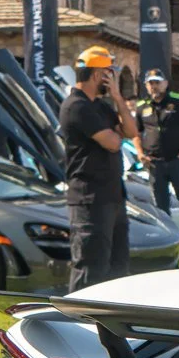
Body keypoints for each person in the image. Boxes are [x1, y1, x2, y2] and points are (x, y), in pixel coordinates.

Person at [58, 45, 138, 291]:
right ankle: (77, 321)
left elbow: (131, 131)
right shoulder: (76, 106)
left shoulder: (101, 105)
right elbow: (114, 143)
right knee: (90, 269)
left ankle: (108, 323)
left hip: (112, 196)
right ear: (97, 74)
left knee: (117, 267)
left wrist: (118, 98)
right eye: (109, 72)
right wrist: (117, 133)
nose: (112, 77)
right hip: (89, 199)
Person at [134, 70, 179, 236]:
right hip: (155, 162)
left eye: (157, 82)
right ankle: (169, 237)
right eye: (150, 83)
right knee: (161, 205)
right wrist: (140, 154)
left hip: (177, 160)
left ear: (165, 83)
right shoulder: (142, 106)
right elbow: (136, 134)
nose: (154, 86)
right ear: (146, 86)